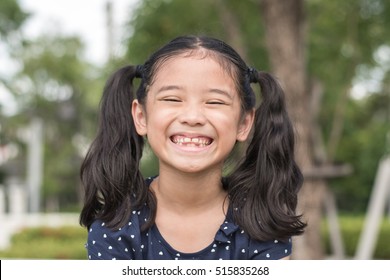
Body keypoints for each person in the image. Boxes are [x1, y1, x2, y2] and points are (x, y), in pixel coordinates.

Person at [79, 35, 306, 260]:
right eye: (172, 99)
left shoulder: (261, 224)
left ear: (244, 123)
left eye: (215, 102)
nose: (193, 117)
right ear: (141, 116)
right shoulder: (115, 227)